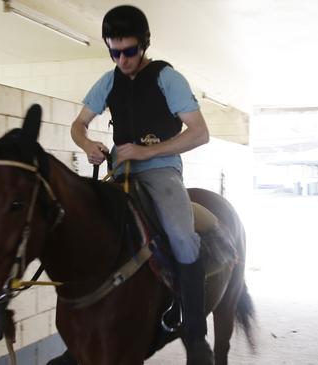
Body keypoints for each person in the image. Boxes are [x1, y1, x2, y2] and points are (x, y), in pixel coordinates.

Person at [70, 5, 213, 364]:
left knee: (182, 238)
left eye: (129, 51)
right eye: (114, 52)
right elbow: (79, 124)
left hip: (162, 172)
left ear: (144, 45)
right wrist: (88, 145)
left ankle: (195, 337)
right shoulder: (109, 80)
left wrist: (148, 152)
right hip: (119, 173)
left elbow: (200, 133)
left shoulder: (167, 78)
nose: (122, 60)